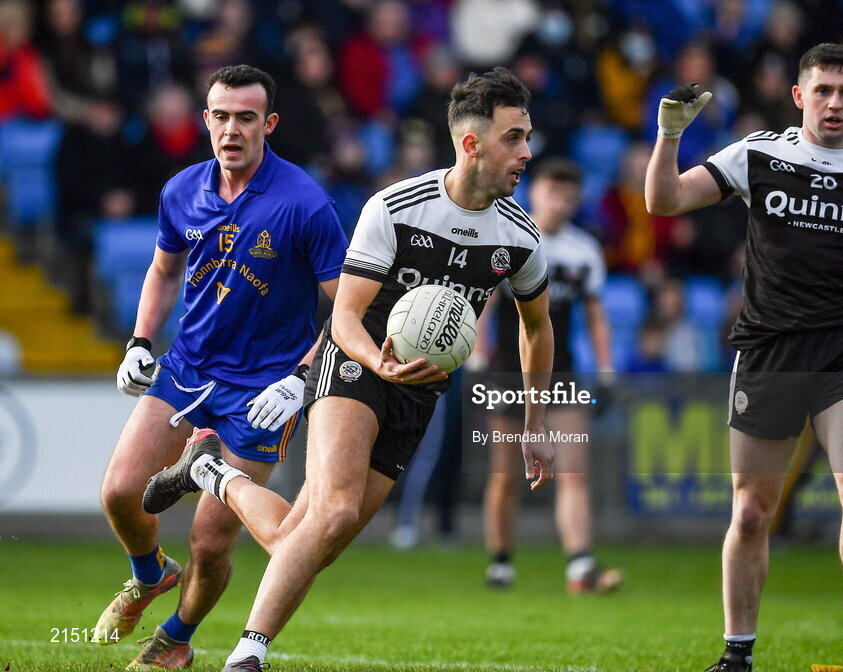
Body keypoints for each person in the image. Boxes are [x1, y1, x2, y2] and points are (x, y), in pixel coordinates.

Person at [143, 66, 555, 672]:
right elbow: (344, 318)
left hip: (419, 393)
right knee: (331, 514)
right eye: (514, 137)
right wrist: (377, 361)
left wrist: (535, 423)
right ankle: (246, 657)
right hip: (356, 362)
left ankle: (210, 472)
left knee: (308, 543)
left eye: (526, 137)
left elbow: (537, 326)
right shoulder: (396, 207)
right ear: (472, 143)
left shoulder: (521, 237)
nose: (526, 152)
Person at [645, 43, 843, 672]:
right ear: (800, 96)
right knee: (751, 512)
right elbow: (664, 202)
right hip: (769, 352)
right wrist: (668, 136)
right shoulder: (758, 154)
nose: (834, 102)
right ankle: (737, 654)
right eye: (823, 90)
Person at [92, 64, 348, 670]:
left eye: (246, 118)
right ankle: (151, 573)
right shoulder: (181, 189)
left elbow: (347, 310)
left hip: (264, 388)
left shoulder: (305, 203)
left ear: (270, 124)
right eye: (221, 116)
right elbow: (162, 271)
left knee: (210, 541)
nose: (232, 129)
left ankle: (175, 639)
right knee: (121, 493)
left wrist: (299, 382)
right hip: (186, 368)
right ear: (205, 120)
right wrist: (138, 342)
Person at [480, 157, 622, 593]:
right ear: (534, 192)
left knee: (573, 471)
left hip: (560, 375)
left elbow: (596, 317)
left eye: (567, 195)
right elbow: (484, 303)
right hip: (506, 371)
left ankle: (580, 567)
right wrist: (477, 356)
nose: (559, 203)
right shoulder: (511, 238)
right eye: (551, 193)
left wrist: (606, 368)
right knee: (506, 475)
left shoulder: (584, 251)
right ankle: (501, 562)